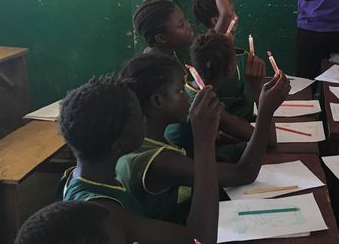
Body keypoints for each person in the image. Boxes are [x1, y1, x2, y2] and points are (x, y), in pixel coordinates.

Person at [117, 53, 289, 221]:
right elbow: (245, 173)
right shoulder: (160, 161)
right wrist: (265, 110)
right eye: (179, 91)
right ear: (157, 101)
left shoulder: (144, 140)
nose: (187, 97)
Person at [56, 77, 222, 243]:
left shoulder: (78, 176)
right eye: (139, 116)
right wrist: (204, 141)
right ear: (118, 144)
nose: (145, 118)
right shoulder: (104, 211)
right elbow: (200, 239)